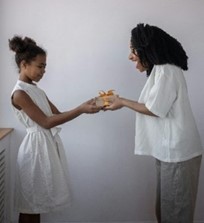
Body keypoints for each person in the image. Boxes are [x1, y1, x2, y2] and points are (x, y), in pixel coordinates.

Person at [105, 23, 203, 223]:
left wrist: (122, 101)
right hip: (169, 151)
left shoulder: (166, 71)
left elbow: (155, 109)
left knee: (175, 215)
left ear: (146, 49)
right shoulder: (160, 70)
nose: (130, 56)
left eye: (133, 50)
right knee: (165, 211)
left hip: (178, 154)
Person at [9, 36, 101, 223]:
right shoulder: (19, 94)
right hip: (34, 152)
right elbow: (46, 122)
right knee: (30, 205)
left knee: (38, 203)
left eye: (45, 67)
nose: (43, 71)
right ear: (24, 64)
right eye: (40, 66)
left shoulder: (36, 90)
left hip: (44, 149)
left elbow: (57, 115)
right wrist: (80, 109)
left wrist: (86, 107)